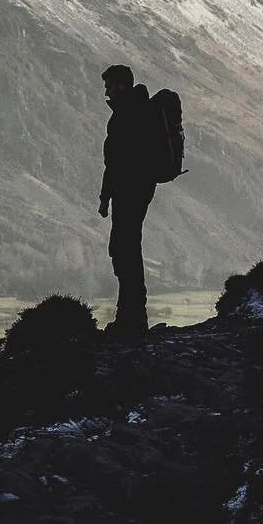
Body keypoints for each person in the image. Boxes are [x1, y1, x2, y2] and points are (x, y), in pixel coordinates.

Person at [98, 64, 157, 339]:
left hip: (129, 192)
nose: (106, 91)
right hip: (137, 190)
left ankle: (131, 320)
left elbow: (116, 162)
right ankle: (132, 317)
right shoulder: (138, 110)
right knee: (127, 250)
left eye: (109, 85)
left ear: (121, 86)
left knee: (125, 252)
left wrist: (106, 196)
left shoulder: (127, 115)